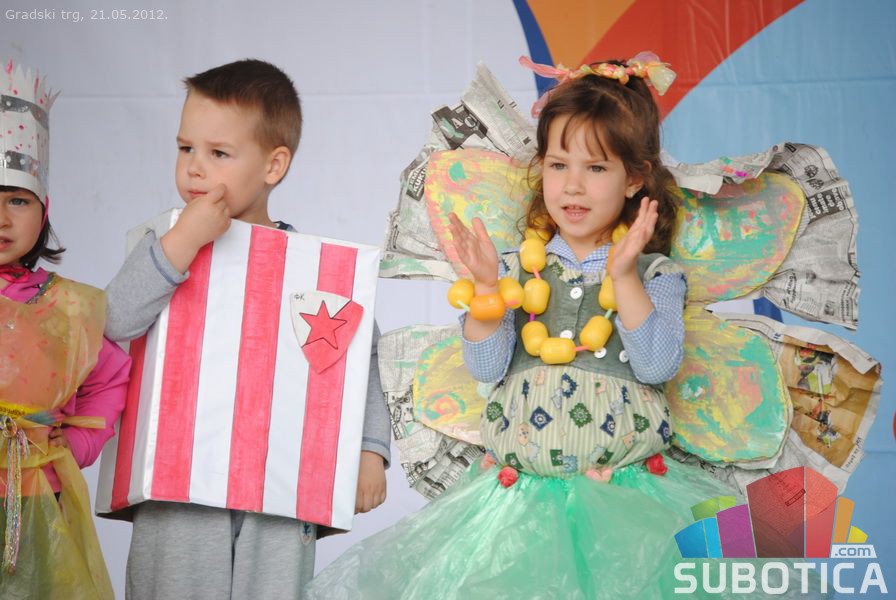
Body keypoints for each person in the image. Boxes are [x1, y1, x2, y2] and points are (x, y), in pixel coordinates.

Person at [306, 55, 771, 599]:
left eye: (596, 169)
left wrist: (623, 274)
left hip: (626, 504)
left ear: (634, 178)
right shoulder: (518, 270)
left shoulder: (654, 274)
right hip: (519, 507)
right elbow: (486, 367)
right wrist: (486, 292)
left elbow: (656, 364)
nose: (573, 186)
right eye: (558, 165)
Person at [103, 59, 391, 599]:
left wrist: (369, 450)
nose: (194, 168)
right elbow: (116, 320)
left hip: (281, 491)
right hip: (177, 492)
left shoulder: (313, 268)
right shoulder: (166, 247)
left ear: (273, 166)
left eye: (218, 153)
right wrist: (183, 241)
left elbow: (360, 357)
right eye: (185, 148)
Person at [0, 62, 130, 600]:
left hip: (38, 498)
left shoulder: (70, 308)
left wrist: (78, 441)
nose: (2, 218)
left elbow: (109, 380)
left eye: (17, 200)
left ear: (44, 210)